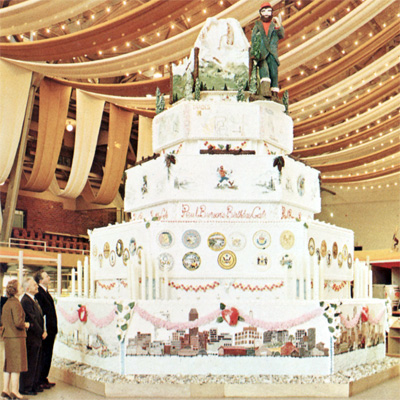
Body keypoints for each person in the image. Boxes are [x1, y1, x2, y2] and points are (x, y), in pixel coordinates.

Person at [1, 279, 30, 400]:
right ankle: (15, 392)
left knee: (8, 364)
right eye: (20, 286)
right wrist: (26, 325)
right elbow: (18, 322)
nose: (22, 287)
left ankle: (5, 390)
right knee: (16, 365)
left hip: (7, 336)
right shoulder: (16, 303)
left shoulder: (7, 303)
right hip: (16, 337)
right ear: (15, 290)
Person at [251, 2, 284, 101]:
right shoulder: (257, 25)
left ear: (271, 13)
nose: (266, 13)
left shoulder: (274, 25)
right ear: (260, 12)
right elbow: (253, 40)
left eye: (269, 11)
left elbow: (281, 35)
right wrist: (253, 53)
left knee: (274, 73)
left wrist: (279, 25)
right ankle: (265, 91)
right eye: (264, 11)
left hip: (272, 54)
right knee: (264, 70)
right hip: (262, 54)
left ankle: (274, 94)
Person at [20, 278, 47, 396]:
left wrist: (43, 330)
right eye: (34, 285)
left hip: (37, 336)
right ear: (27, 289)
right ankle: (26, 387)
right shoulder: (26, 301)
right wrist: (41, 332)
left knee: (36, 361)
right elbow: (32, 319)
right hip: (32, 336)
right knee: (31, 362)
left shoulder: (33, 300)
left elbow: (40, 317)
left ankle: (33, 384)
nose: (37, 286)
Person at [34, 271, 57, 390]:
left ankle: (44, 378)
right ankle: (40, 379)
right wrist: (45, 329)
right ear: (40, 280)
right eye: (46, 276)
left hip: (51, 329)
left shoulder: (46, 292)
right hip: (47, 330)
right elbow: (41, 314)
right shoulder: (39, 293)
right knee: (44, 354)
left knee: (48, 354)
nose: (49, 277)